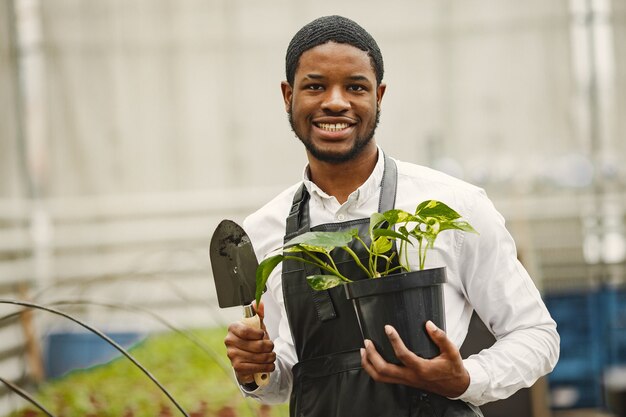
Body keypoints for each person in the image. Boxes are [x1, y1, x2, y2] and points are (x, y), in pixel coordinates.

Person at [223, 15, 559, 417]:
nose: (335, 101)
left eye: (355, 87)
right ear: (287, 96)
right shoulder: (264, 229)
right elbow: (289, 380)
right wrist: (255, 370)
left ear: (379, 96)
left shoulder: (454, 204)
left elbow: (536, 334)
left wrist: (467, 378)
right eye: (315, 86)